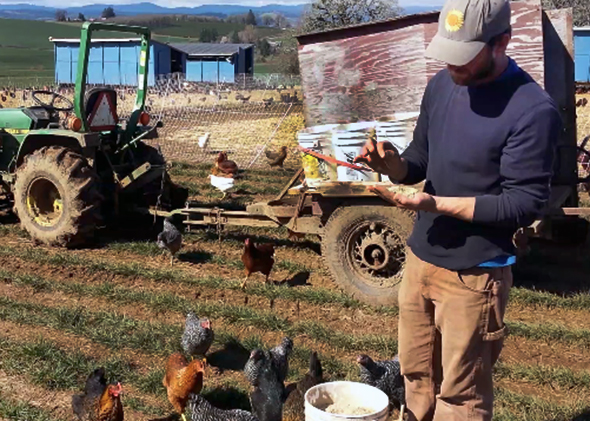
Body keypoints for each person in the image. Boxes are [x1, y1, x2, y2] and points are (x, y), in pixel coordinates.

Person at [354, 0, 562, 419]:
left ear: (502, 42)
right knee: (414, 375)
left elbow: (523, 204)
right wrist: (391, 165)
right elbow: (420, 157)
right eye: (447, 51)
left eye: (464, 55)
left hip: (475, 275)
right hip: (421, 257)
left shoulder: (532, 111)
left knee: (460, 397)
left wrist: (434, 203)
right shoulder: (441, 86)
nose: (453, 66)